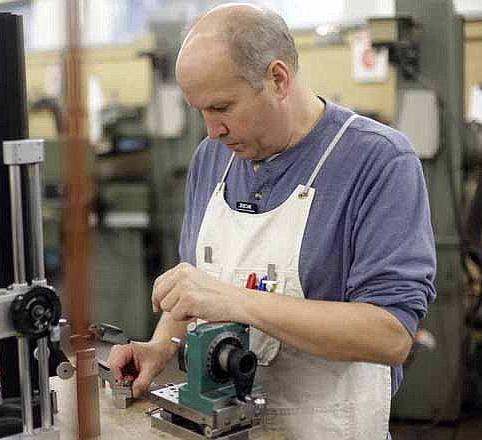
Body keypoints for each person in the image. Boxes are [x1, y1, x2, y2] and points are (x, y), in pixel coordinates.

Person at [108, 4, 436, 439]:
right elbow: (198, 289)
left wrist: (236, 302)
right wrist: (161, 347)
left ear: (278, 79)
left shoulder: (378, 162)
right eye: (200, 111)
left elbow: (390, 336)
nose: (211, 131)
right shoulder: (212, 159)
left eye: (222, 106)